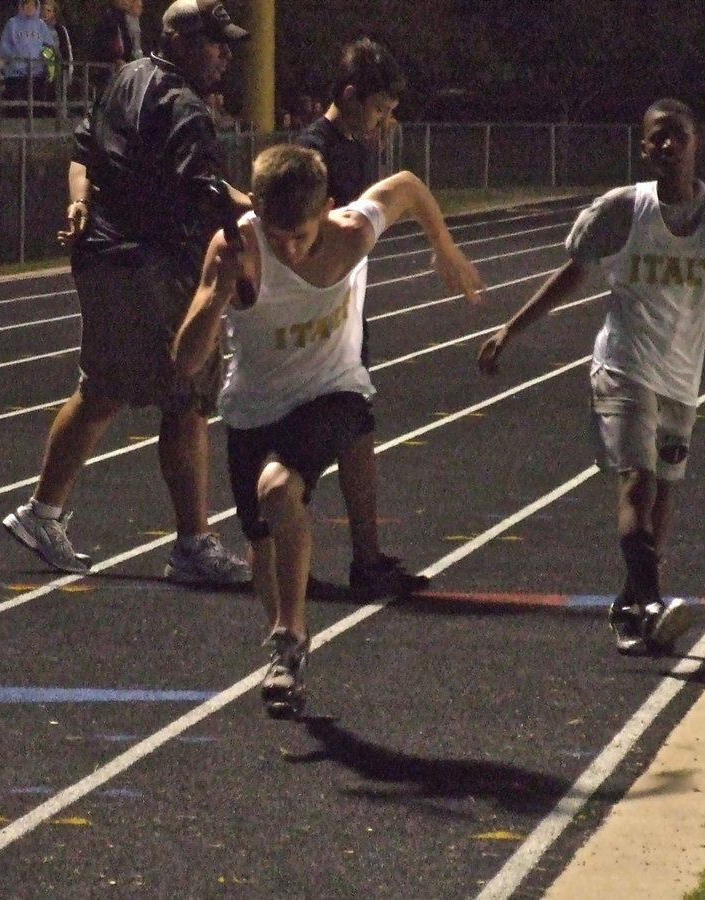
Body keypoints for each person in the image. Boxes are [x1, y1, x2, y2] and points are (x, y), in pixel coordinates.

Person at [173, 144, 486, 717]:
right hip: (253, 407)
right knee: (261, 544)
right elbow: (186, 360)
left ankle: (289, 639)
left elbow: (409, 185)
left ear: (329, 210)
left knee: (277, 489)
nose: (289, 250)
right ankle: (284, 648)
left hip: (334, 390)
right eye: (278, 235)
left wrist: (444, 246)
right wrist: (219, 291)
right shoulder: (237, 249)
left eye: (302, 236)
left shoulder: (353, 232)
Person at [476, 97, 705, 656]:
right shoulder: (623, 209)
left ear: (696, 142)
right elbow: (572, 273)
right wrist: (511, 328)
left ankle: (634, 604)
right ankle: (648, 603)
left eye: (678, 135)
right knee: (638, 482)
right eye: (657, 138)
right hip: (623, 364)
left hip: (681, 373)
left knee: (664, 499)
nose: (668, 145)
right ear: (644, 148)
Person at [2, 0, 253, 588]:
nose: (225, 54)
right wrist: (266, 210)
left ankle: (43, 513)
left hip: (107, 256)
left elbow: (82, 152)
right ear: (180, 40)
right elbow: (202, 189)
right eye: (215, 43)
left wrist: (80, 200)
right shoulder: (182, 103)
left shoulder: (126, 78)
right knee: (186, 396)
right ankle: (192, 541)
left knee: (105, 389)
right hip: (148, 262)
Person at [294, 37, 421, 601]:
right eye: (377, 109)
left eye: (389, 113)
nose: (382, 121)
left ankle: (366, 559)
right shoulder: (312, 154)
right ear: (347, 96)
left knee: (355, 434)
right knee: (303, 444)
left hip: (347, 316)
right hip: (312, 321)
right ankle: (284, 559)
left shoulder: (359, 145)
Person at [0, 0, 56, 117]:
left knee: (35, 108)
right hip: (15, 74)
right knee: (16, 109)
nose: (29, 8)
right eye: (26, 4)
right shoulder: (12, 24)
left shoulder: (41, 25)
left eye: (32, 5)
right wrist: (16, 63)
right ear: (21, 6)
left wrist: (47, 66)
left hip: (36, 74)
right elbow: (4, 47)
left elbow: (49, 47)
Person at [89, 0, 141, 88]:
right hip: (109, 68)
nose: (126, 2)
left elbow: (128, 43)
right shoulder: (108, 18)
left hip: (123, 66)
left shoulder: (124, 19)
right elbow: (103, 43)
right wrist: (115, 58)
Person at [39, 0, 72, 113]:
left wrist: (69, 69)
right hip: (38, 65)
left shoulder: (60, 29)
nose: (45, 13)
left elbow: (66, 49)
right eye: (43, 10)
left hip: (57, 65)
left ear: (54, 13)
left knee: (57, 90)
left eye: (48, 11)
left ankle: (58, 114)